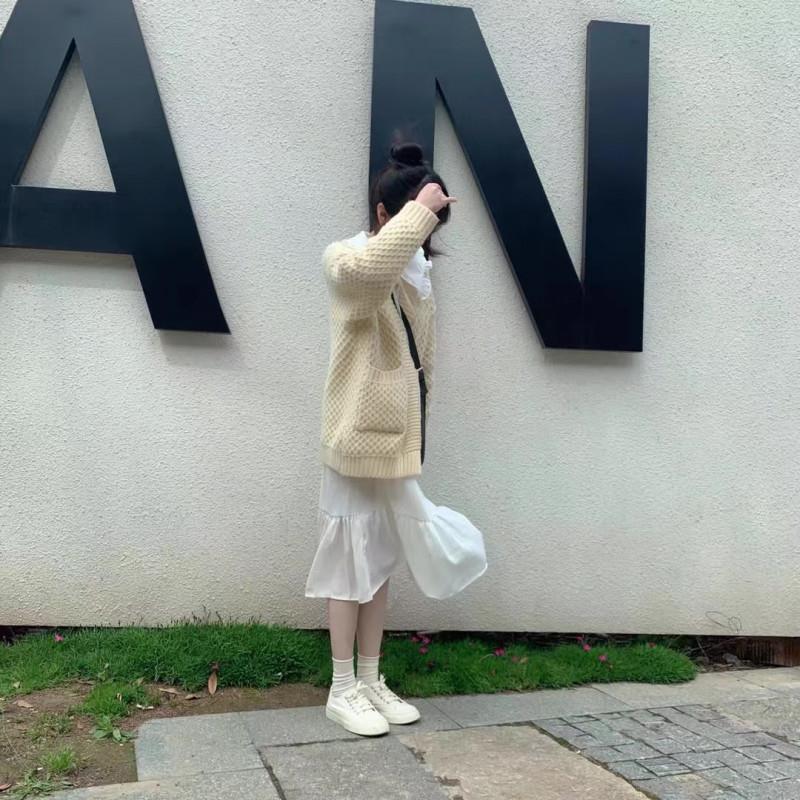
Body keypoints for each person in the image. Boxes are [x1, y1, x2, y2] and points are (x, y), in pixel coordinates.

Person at [305, 142, 488, 736]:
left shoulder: (416, 275)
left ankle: (369, 679)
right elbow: (366, 279)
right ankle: (340, 688)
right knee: (347, 558)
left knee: (380, 559)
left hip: (395, 440)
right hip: (355, 437)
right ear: (386, 213)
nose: (425, 236)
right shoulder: (347, 258)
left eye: (432, 224)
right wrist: (418, 214)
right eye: (419, 220)